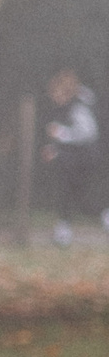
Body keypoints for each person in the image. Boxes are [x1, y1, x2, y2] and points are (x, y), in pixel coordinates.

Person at [42, 67, 105, 246]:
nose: (54, 98)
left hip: (84, 158)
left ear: (65, 92)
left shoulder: (79, 106)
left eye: (56, 93)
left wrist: (60, 133)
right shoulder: (67, 106)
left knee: (79, 194)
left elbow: (87, 134)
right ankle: (64, 230)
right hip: (73, 159)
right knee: (72, 194)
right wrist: (54, 149)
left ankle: (65, 231)